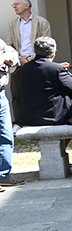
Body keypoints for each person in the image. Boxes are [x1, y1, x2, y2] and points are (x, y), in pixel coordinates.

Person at [20, 36, 72, 170]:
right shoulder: (56, 69)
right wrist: (63, 71)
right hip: (54, 116)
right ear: (53, 53)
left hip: (30, 116)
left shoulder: (25, 69)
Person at [7, 0, 52, 122]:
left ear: (27, 6)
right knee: (17, 94)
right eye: (13, 4)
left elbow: (45, 43)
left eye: (17, 4)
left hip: (37, 62)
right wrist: (18, 58)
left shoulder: (41, 22)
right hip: (18, 63)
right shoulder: (13, 24)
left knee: (39, 93)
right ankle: (19, 122)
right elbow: (9, 44)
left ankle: (40, 119)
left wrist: (31, 58)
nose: (14, 6)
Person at [0, 38, 19, 189]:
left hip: (1, 94)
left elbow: (13, 54)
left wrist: (8, 58)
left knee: (6, 136)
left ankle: (3, 175)